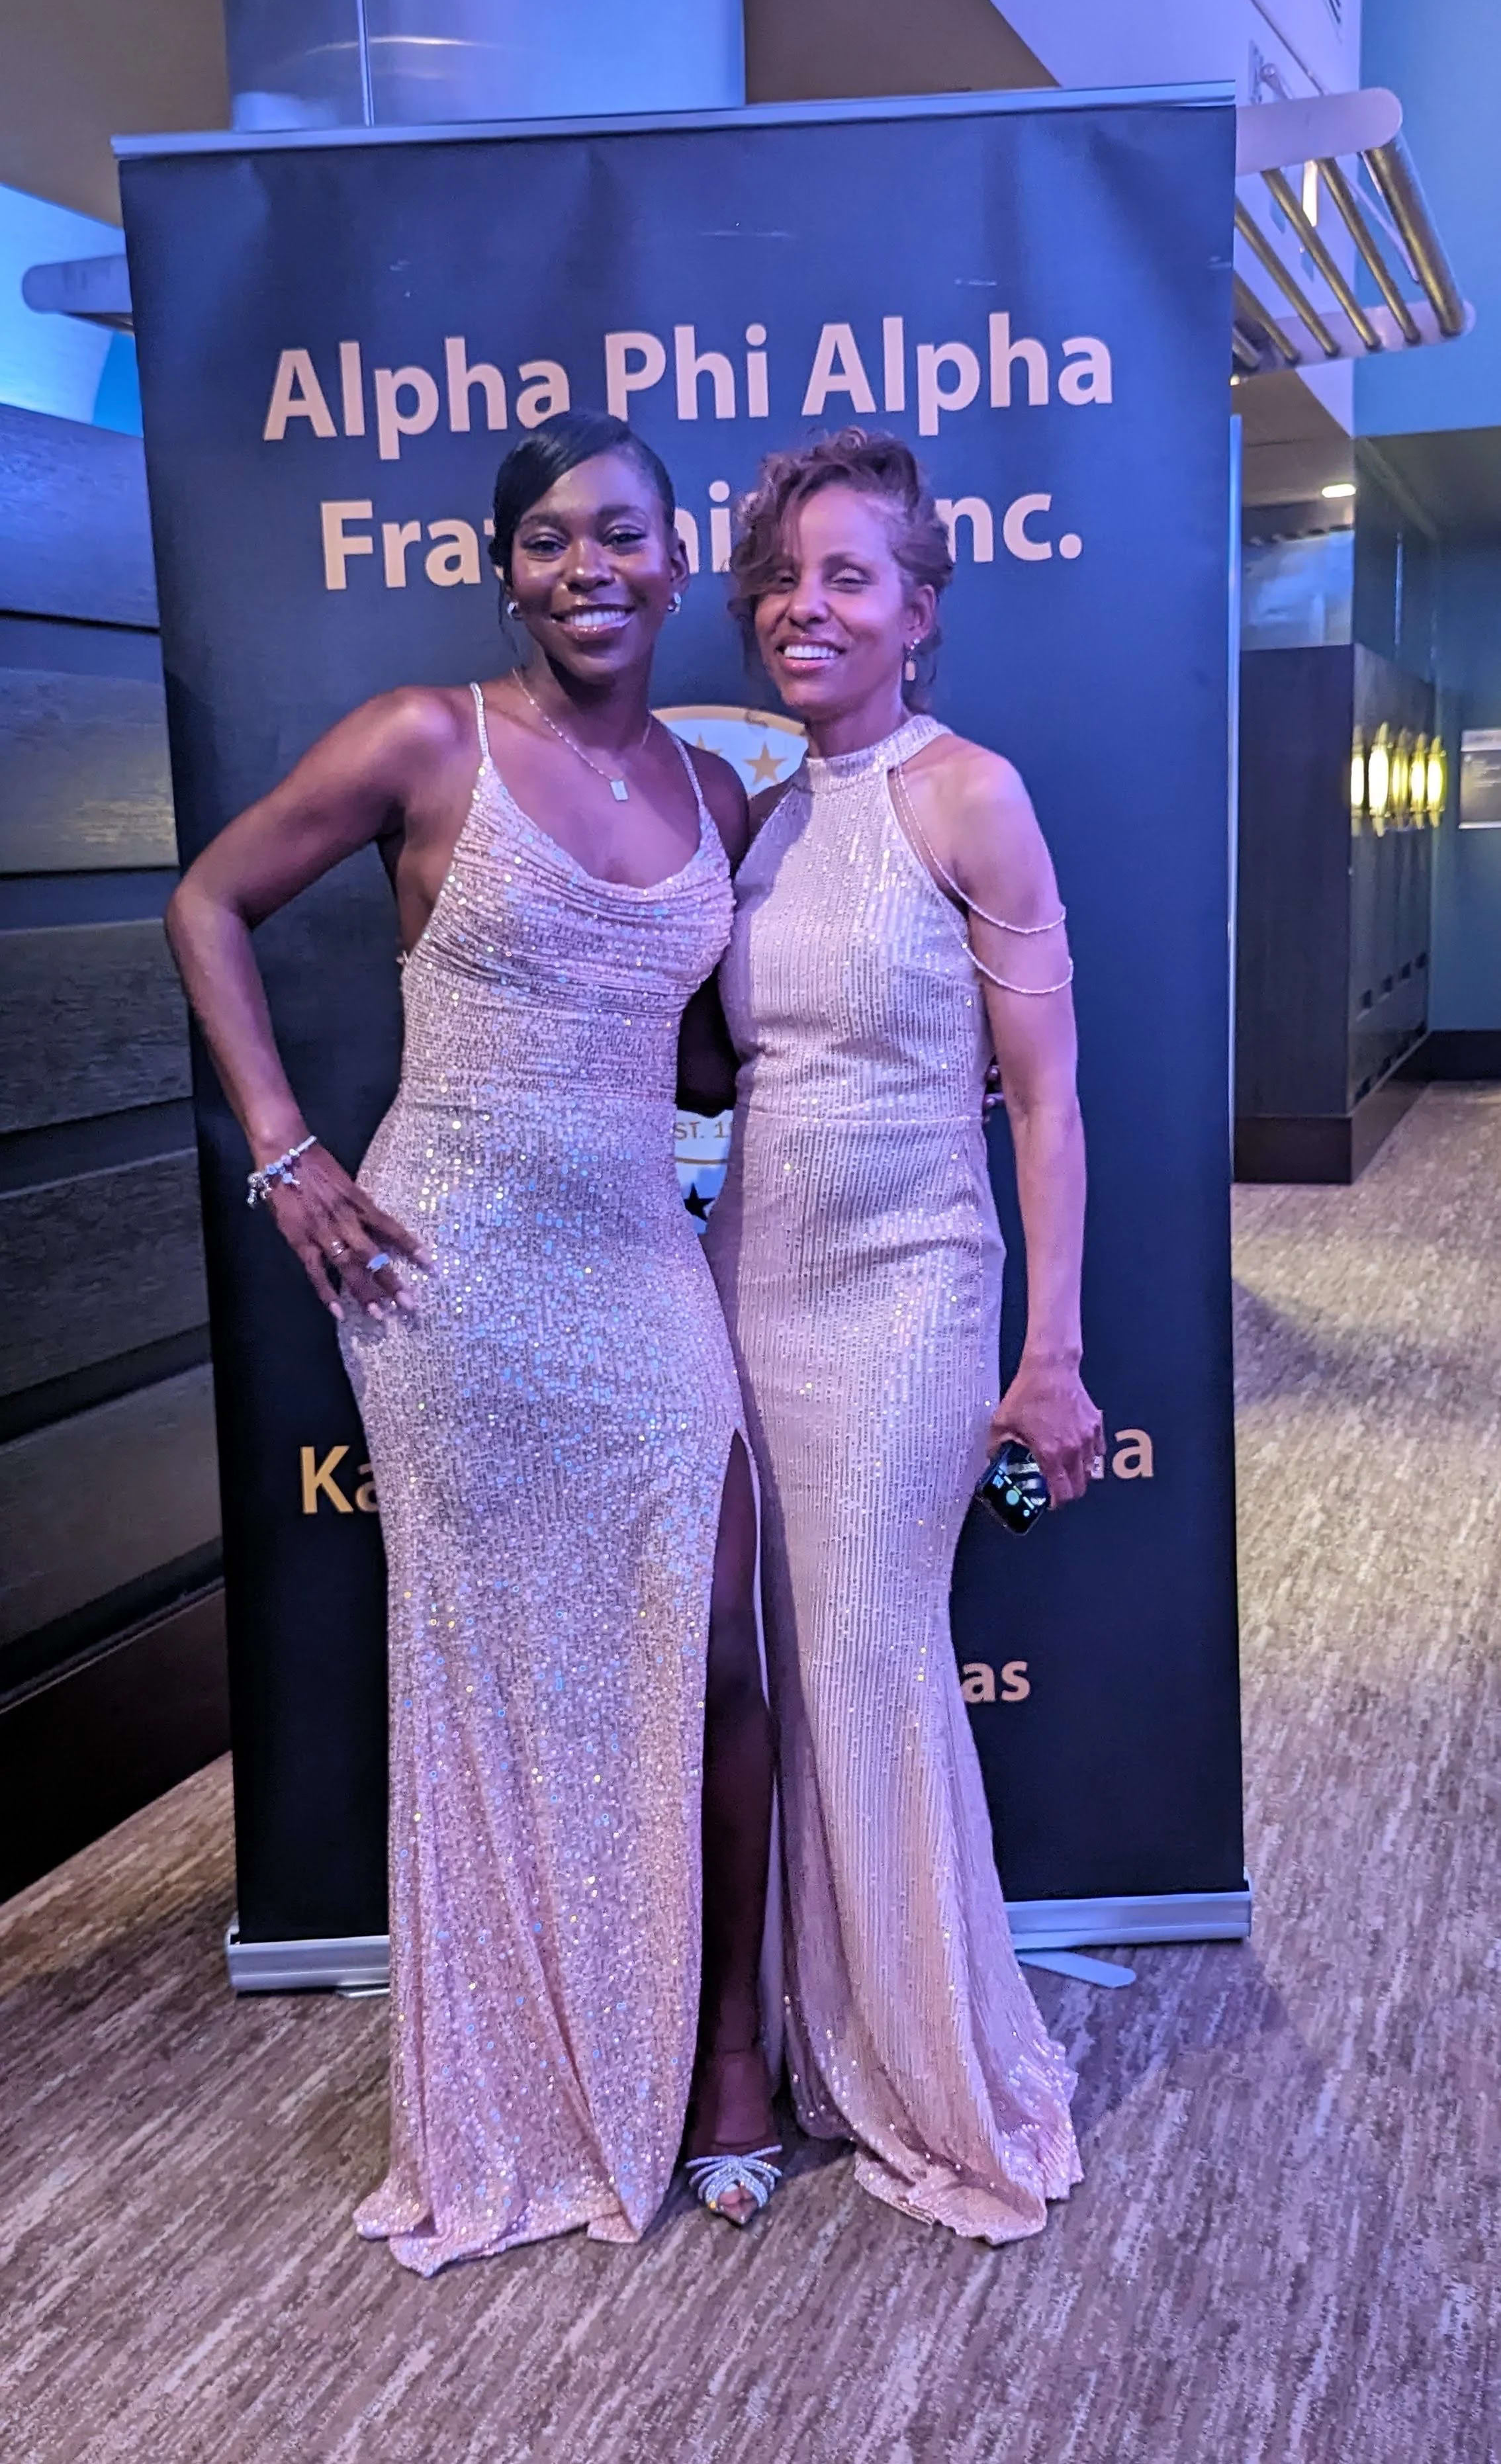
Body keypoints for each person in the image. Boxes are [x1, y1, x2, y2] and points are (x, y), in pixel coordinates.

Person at [165, 410, 780, 2267]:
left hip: (639, 1270)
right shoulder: (426, 738)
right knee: (496, 1682)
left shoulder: (717, 792)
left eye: (624, 534)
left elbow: (702, 1056)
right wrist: (286, 1150)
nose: (591, 568)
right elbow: (207, 901)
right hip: (450, 1282)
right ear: (505, 572)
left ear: (679, 563)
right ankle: (519, 2082)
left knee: (718, 1653)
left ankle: (726, 2061)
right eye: (551, 540)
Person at [700, 428, 1100, 2241]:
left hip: (913, 1289)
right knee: (779, 1672)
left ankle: (938, 2071)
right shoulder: (762, 813)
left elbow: (1047, 1102)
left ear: (919, 610)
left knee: (867, 1658)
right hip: (749, 1290)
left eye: (849, 575)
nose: (807, 606)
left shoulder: (971, 796)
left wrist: (1051, 1353)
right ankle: (813, 2037)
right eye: (783, 578)